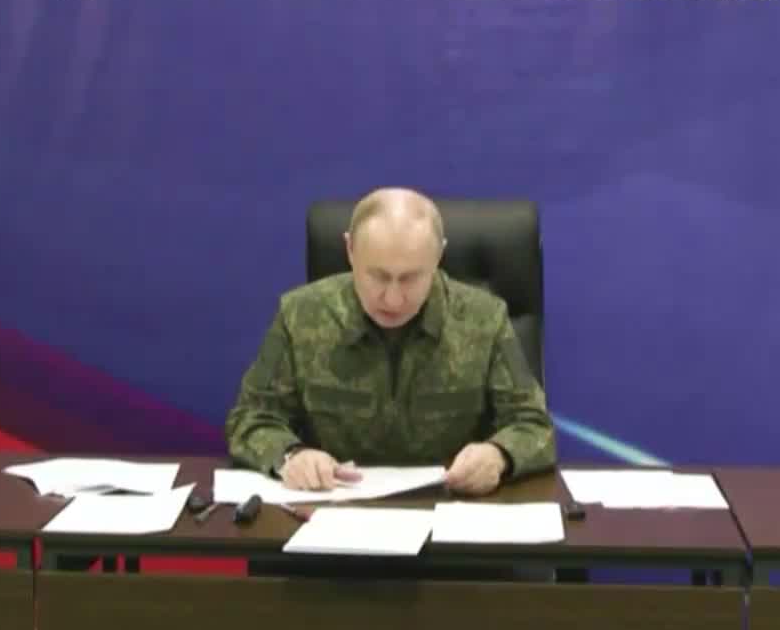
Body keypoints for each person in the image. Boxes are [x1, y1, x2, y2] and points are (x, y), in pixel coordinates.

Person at [225, 187, 554, 496]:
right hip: (332, 512)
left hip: (448, 512)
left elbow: (535, 425)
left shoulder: (487, 319)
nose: (393, 299)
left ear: (439, 255)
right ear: (350, 250)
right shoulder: (298, 315)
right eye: (378, 276)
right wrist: (290, 456)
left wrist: (499, 455)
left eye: (411, 278)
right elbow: (249, 418)